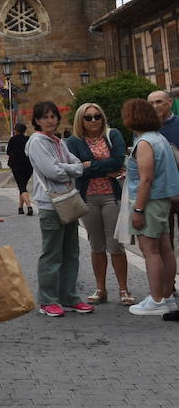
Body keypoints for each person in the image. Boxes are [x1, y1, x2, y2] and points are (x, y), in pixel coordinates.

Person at [25, 101, 94, 318]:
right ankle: (48, 300)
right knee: (52, 254)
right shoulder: (37, 142)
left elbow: (78, 166)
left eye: (53, 116)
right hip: (50, 203)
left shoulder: (58, 141)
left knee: (71, 252)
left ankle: (69, 296)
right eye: (45, 117)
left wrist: (70, 168)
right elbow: (52, 171)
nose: (50, 120)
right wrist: (71, 169)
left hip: (67, 201)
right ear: (36, 120)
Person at [64, 103, 131, 305]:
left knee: (116, 245)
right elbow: (77, 169)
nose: (94, 120)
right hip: (88, 198)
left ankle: (124, 289)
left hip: (112, 196)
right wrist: (101, 168)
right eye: (88, 117)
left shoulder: (114, 135)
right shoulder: (74, 141)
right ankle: (100, 289)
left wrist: (90, 165)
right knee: (96, 245)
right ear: (80, 120)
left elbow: (118, 162)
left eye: (97, 116)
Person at [121, 98, 179, 316]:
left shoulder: (144, 142)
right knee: (165, 249)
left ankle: (156, 299)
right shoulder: (160, 138)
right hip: (162, 200)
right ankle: (166, 296)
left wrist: (138, 210)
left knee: (151, 251)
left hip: (149, 201)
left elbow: (146, 179)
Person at [6, 122, 32, 215]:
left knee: (21, 186)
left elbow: (8, 152)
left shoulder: (13, 139)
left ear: (16, 130)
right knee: (23, 186)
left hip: (16, 165)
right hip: (28, 166)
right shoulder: (28, 139)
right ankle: (20, 208)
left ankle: (29, 206)